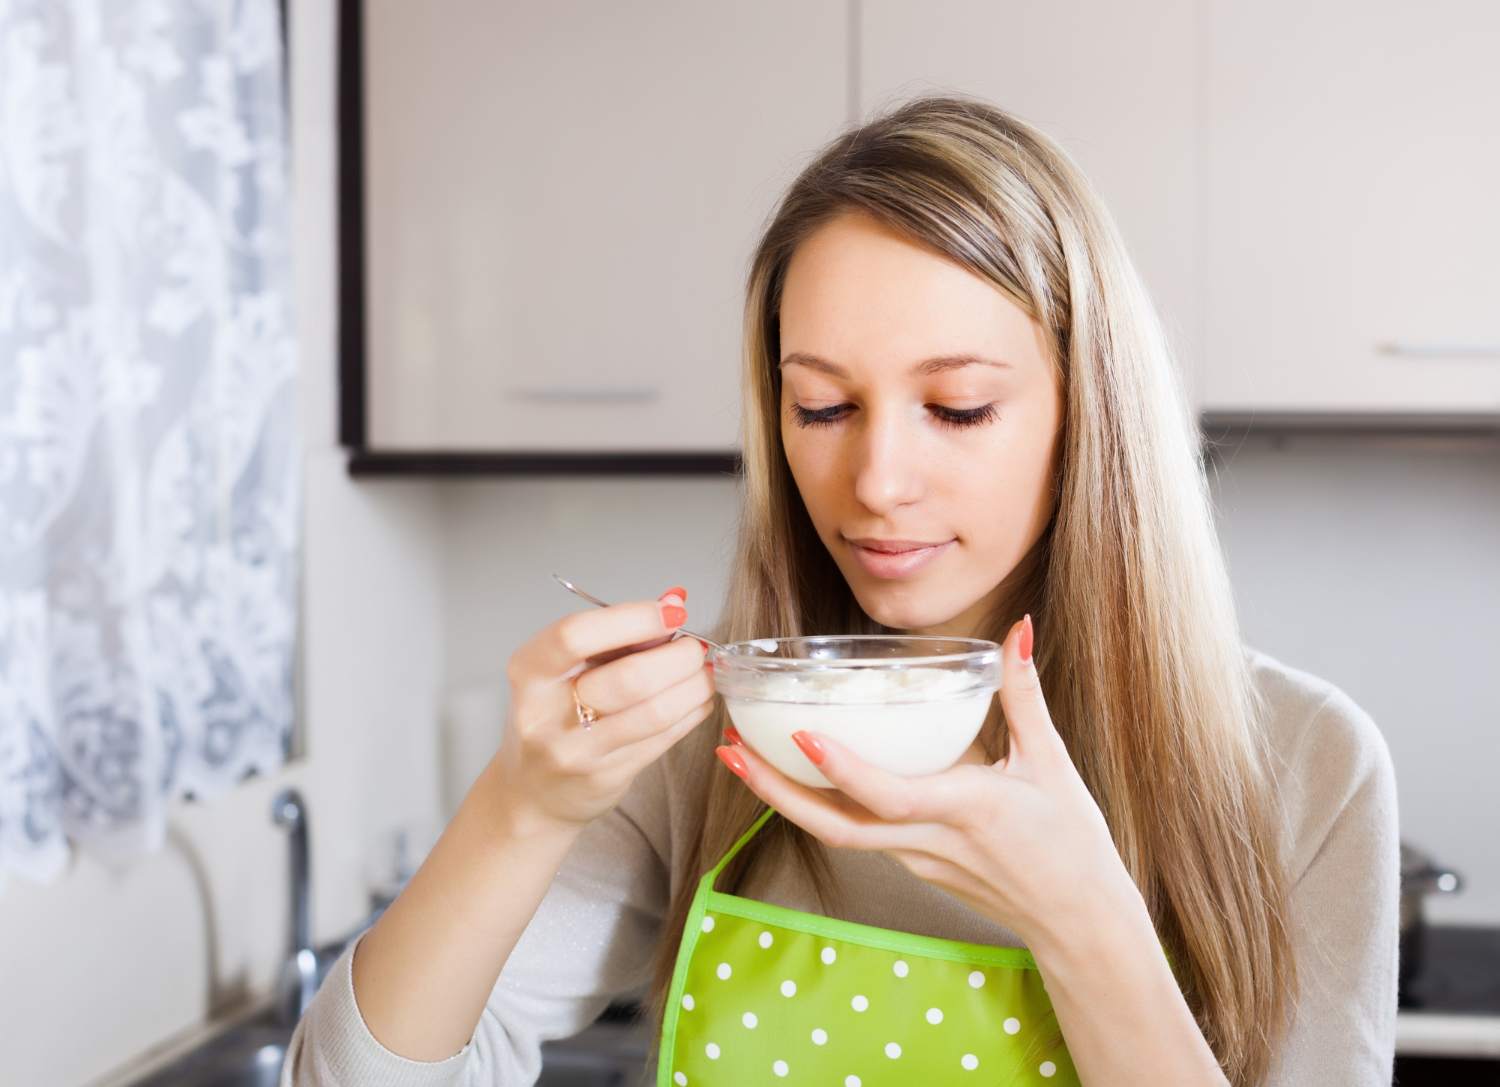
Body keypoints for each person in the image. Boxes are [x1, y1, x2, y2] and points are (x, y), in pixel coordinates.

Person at [281, 94, 1399, 1086]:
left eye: (957, 408)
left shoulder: (1307, 767)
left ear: (1088, 414)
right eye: (822, 408)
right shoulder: (707, 745)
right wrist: (515, 811)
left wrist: (1082, 921)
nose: (875, 481)